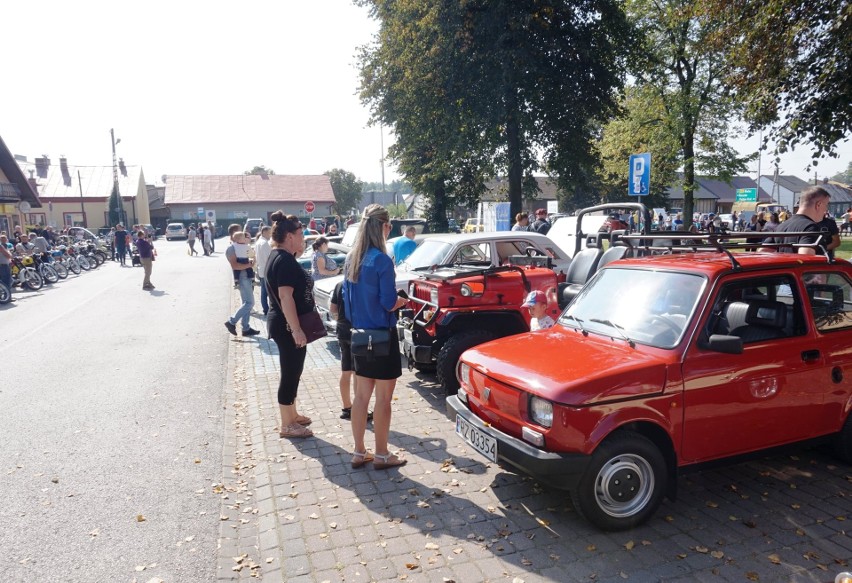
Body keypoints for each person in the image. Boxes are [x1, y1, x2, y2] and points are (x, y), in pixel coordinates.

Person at [343, 204, 409, 470]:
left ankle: (359, 451)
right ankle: (382, 454)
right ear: (383, 227)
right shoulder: (382, 260)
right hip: (382, 336)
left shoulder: (351, 259)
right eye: (389, 226)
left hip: (358, 336)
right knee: (382, 400)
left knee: (360, 398)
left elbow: (347, 304)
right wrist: (401, 303)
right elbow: (388, 300)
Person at [265, 211, 315, 438]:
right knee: (289, 373)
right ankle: (287, 425)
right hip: (287, 326)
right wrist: (296, 330)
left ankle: (292, 415)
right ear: (289, 236)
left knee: (294, 371)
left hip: (285, 324)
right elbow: (286, 297)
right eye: (300, 233)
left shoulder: (281, 256)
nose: (303, 236)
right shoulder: (283, 261)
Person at [329, 281, 374, 422]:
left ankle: (347, 407)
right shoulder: (363, 284)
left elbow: (333, 308)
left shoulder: (339, 285)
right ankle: (360, 410)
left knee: (346, 371)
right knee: (357, 373)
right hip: (358, 330)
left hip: (342, 330)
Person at [760, 186, 831, 255]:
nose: (826, 210)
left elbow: (762, 252)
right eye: (827, 205)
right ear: (818, 205)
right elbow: (806, 257)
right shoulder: (811, 228)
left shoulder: (780, 227)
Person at [224, 223, 260, 338]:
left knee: (246, 303)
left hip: (246, 276)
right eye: (241, 232)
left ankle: (246, 328)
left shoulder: (239, 246)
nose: (244, 236)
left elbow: (250, 255)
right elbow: (235, 266)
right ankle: (232, 322)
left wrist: (251, 261)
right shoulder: (231, 248)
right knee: (250, 303)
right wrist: (249, 265)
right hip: (243, 276)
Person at [255, 226, 272, 317]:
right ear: (264, 232)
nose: (270, 234)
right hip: (266, 269)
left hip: (261, 269)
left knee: (264, 291)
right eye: (269, 232)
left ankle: (265, 309)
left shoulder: (258, 242)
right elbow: (268, 258)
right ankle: (266, 309)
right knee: (267, 292)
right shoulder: (265, 243)